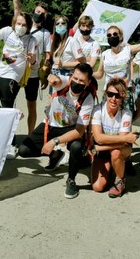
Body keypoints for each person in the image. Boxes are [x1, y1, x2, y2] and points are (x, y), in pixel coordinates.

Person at [16, 63, 96, 199]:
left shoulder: (88, 99)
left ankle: (71, 180)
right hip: (51, 124)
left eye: (82, 81)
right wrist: (52, 79)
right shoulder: (65, 82)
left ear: (88, 83)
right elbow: (56, 79)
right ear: (71, 76)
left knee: (76, 146)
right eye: (75, 78)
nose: (77, 82)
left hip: (71, 128)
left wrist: (54, 142)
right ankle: (55, 156)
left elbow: (79, 132)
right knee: (24, 150)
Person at [12, 0, 52, 133]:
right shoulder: (24, 26)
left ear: (45, 16)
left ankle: (30, 135)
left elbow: (48, 55)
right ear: (33, 11)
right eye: (37, 11)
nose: (39, 14)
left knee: (31, 106)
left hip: (33, 75)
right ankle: (10, 138)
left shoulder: (46, 34)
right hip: (16, 71)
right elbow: (16, 6)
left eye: (42, 13)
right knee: (10, 105)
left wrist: (45, 71)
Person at [90, 78, 137, 198]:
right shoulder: (98, 109)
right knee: (97, 187)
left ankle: (120, 179)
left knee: (115, 153)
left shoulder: (126, 113)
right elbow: (99, 137)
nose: (113, 99)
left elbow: (120, 143)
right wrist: (124, 139)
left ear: (123, 98)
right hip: (105, 148)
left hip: (117, 149)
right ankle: (113, 167)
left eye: (117, 96)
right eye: (110, 94)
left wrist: (99, 147)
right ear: (106, 94)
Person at [0, 11, 37, 108]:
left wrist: (31, 59)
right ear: (14, 23)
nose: (21, 27)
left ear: (28, 27)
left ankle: (9, 115)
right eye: (19, 24)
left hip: (11, 78)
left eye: (24, 25)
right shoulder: (8, 31)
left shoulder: (31, 40)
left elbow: (33, 61)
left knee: (7, 109)